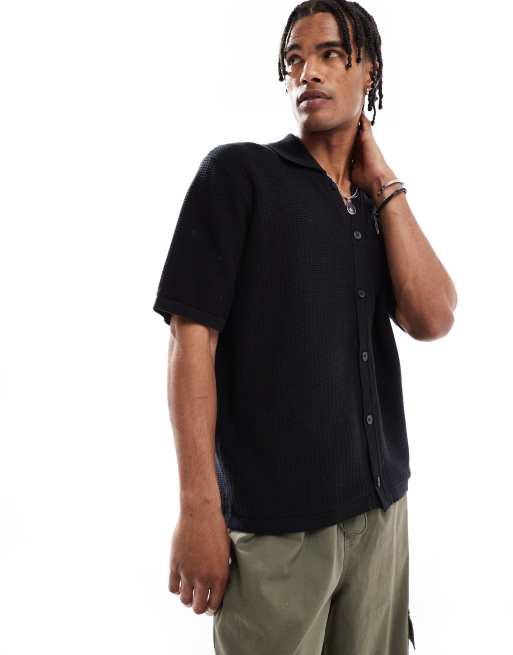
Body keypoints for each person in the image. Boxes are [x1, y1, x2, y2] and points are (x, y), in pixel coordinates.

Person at [152, 2, 457, 653]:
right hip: (277, 530)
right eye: (294, 59)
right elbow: (190, 338)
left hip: (382, 516)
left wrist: (383, 181)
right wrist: (199, 508)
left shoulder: (371, 203)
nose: (306, 73)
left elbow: (433, 317)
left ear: (368, 72)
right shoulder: (239, 175)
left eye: (329, 55)